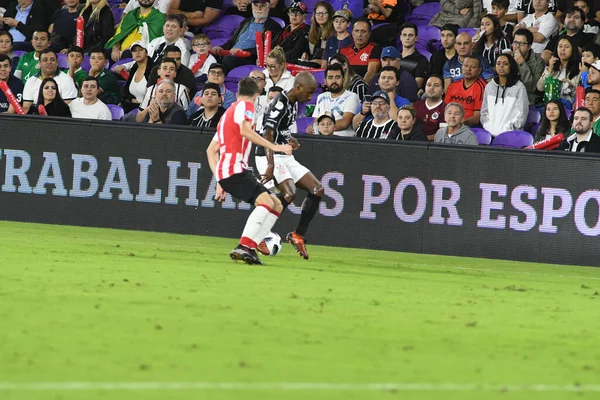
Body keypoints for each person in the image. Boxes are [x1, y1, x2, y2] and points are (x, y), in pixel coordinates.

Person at [205, 77, 293, 265]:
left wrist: (219, 180)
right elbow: (245, 130)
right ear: (256, 95)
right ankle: (244, 246)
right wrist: (274, 147)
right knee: (266, 203)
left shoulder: (226, 115)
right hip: (235, 170)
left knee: (276, 204)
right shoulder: (247, 106)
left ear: (237, 94)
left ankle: (250, 247)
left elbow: (211, 151)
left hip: (227, 172)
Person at [254, 72, 319, 259]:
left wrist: (290, 138)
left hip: (283, 152)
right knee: (289, 193)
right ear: (298, 88)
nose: (310, 97)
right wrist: (270, 165)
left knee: (317, 189)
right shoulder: (279, 104)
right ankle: (258, 235)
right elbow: (267, 134)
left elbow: (280, 130)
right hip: (268, 154)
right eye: (309, 92)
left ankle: (298, 235)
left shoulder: (294, 102)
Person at [211, 0, 282, 72]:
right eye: (256, 5)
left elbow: (266, 49)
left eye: (262, 6)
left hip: (249, 58)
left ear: (268, 7)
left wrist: (242, 51)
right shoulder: (245, 22)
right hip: (232, 54)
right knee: (211, 55)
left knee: (229, 59)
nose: (258, 8)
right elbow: (233, 40)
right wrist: (221, 47)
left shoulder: (274, 26)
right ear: (252, 6)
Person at [480, 53, 529, 137]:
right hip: (490, 135)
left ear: (511, 67)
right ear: (495, 67)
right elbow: (484, 112)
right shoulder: (489, 86)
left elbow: (522, 115)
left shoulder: (519, 87)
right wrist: (489, 129)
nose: (501, 66)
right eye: (498, 64)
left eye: (505, 64)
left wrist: (507, 130)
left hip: (511, 135)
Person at [306, 63, 360, 136]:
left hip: (342, 140)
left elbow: (345, 123)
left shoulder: (352, 97)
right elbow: (316, 121)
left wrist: (322, 127)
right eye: (330, 77)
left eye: (337, 77)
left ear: (343, 79)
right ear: (325, 81)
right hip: (322, 139)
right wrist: (312, 127)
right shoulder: (321, 97)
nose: (334, 81)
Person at [21, 48, 78, 114]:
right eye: (45, 60)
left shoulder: (67, 80)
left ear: (57, 63)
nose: (49, 62)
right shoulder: (31, 81)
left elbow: (68, 107)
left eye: (52, 60)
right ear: (40, 63)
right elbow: (26, 107)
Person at [536, 36, 580, 107]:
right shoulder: (551, 67)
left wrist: (571, 85)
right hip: (550, 106)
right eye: (560, 46)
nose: (563, 49)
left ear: (573, 49)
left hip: (569, 107)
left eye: (567, 47)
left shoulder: (579, 69)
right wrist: (549, 70)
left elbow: (579, 95)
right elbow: (540, 88)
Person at [445, 55, 487, 126]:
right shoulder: (453, 86)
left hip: (469, 127)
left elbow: (477, 117)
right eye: (465, 66)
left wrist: (460, 124)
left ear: (479, 71)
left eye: (473, 67)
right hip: (449, 124)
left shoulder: (482, 88)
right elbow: (445, 108)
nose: (468, 69)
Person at [339, 17, 381, 83]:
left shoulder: (374, 48)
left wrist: (360, 87)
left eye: (363, 31)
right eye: (356, 31)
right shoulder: (343, 50)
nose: (359, 35)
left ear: (369, 34)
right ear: (352, 33)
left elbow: (371, 72)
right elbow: (337, 72)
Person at [511, 28, 544, 106]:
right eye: (515, 42)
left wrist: (521, 63)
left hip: (529, 99)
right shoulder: (508, 58)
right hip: (511, 97)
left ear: (529, 46)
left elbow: (532, 88)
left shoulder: (539, 62)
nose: (517, 47)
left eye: (522, 43)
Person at [120, 41, 154, 113]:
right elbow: (126, 91)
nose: (137, 53)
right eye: (134, 51)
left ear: (146, 53)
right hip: (132, 107)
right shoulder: (134, 68)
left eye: (140, 50)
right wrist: (130, 99)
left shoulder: (153, 69)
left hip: (148, 109)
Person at [413, 75, 446, 141]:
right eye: (429, 85)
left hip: (434, 146)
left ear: (443, 91)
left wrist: (421, 139)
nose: (431, 88)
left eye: (436, 85)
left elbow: (443, 134)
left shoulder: (446, 109)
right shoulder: (416, 105)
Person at [398, 22, 431, 90]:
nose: (407, 38)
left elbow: (417, 84)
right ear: (401, 37)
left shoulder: (422, 60)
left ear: (416, 38)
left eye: (410, 35)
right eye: (404, 35)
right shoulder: (394, 57)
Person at [302, 1, 333, 66]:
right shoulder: (311, 31)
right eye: (318, 13)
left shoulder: (334, 33)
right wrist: (305, 55)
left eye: (324, 13)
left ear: (330, 15)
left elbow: (333, 57)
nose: (321, 16)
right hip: (311, 65)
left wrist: (321, 62)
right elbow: (310, 52)